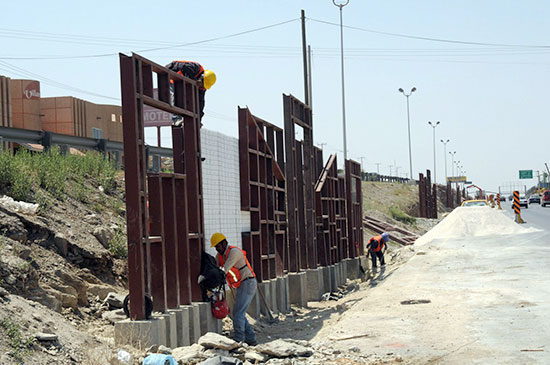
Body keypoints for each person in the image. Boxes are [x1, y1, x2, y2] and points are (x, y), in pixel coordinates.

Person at [210, 232, 257, 346]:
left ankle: (239, 340)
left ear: (224, 243)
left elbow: (224, 270)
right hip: (241, 284)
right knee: (238, 313)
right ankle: (250, 339)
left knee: (238, 313)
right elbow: (216, 267)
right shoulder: (220, 256)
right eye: (215, 247)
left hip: (248, 282)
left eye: (218, 246)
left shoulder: (234, 252)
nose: (217, 249)